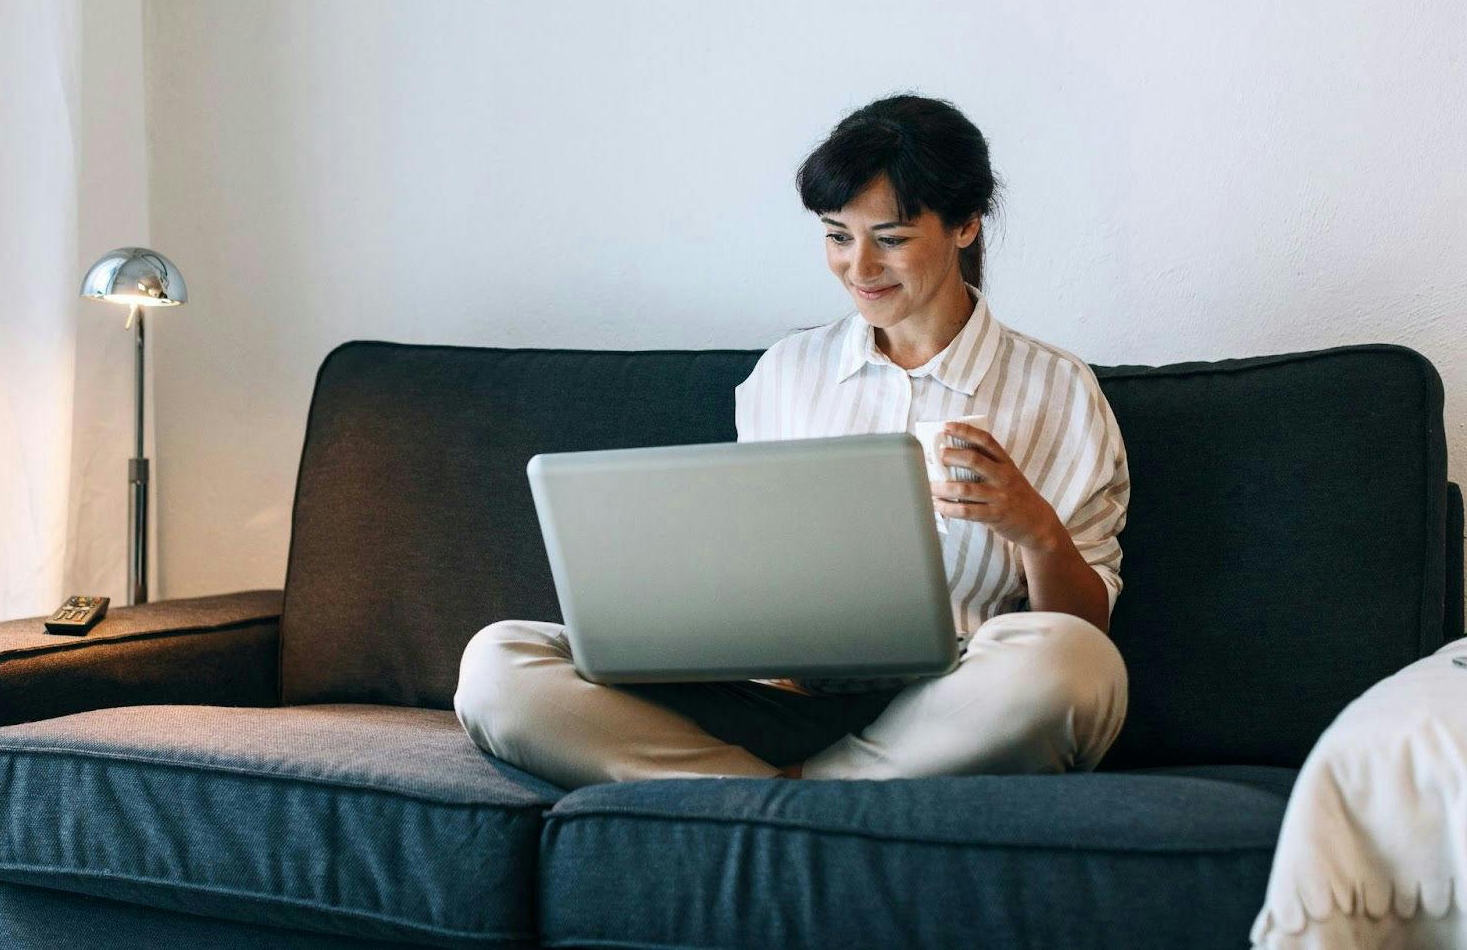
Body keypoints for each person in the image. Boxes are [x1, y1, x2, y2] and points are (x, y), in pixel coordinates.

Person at [453, 94, 1129, 789]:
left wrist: (1035, 530)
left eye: (890, 238)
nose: (859, 267)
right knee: (497, 666)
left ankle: (771, 793)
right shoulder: (786, 374)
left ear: (964, 226)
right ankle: (791, 790)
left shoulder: (1059, 393)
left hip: (945, 710)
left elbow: (1082, 630)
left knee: (1078, 668)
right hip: (766, 700)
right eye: (838, 236)